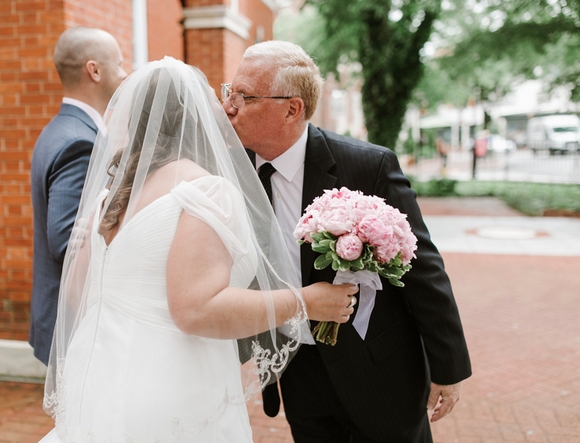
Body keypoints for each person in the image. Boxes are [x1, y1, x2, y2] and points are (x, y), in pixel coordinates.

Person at [38, 57, 358, 442]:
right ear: (194, 116)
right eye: (213, 100)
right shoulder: (205, 191)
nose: (225, 109)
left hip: (99, 377)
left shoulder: (113, 193)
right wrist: (305, 301)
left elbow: (77, 291)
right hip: (171, 386)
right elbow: (195, 309)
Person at [223, 40, 472, 443]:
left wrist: (449, 366)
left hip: (377, 365)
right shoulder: (229, 173)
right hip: (296, 367)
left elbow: (422, 268)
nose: (229, 106)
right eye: (228, 92)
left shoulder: (368, 165)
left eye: (245, 96)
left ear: (292, 108)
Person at [30, 26, 127, 364]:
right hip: (72, 322)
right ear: (94, 70)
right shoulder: (79, 142)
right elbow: (65, 241)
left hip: (58, 316)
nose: (125, 72)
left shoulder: (59, 128)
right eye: (119, 63)